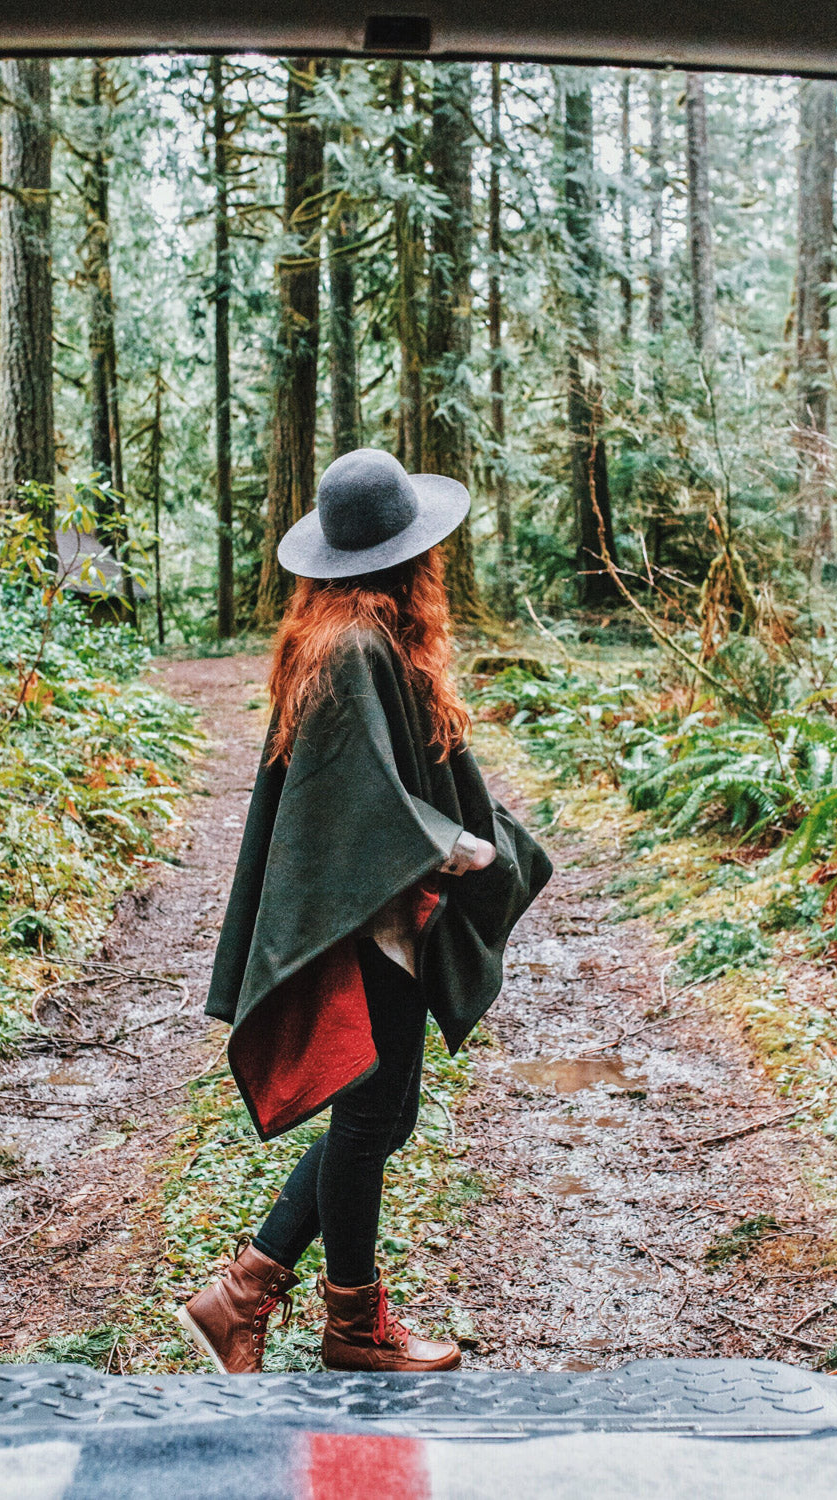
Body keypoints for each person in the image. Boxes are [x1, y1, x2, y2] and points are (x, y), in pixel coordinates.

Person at [177, 448, 551, 1375]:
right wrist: (451, 845)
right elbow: (353, 798)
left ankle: (257, 1298)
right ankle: (320, 1318)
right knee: (372, 1117)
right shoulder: (350, 648)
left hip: (382, 917)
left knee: (379, 1116)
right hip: (374, 924)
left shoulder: (356, 634)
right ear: (404, 554)